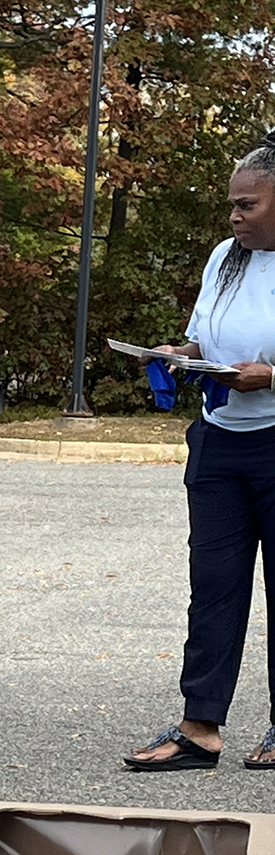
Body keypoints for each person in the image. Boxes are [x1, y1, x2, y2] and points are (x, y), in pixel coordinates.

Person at [126, 133, 275, 772]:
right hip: (218, 442)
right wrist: (179, 355)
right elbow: (203, 338)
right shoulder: (225, 257)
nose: (234, 217)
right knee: (213, 587)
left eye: (248, 205)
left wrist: (271, 375)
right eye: (232, 205)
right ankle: (200, 726)